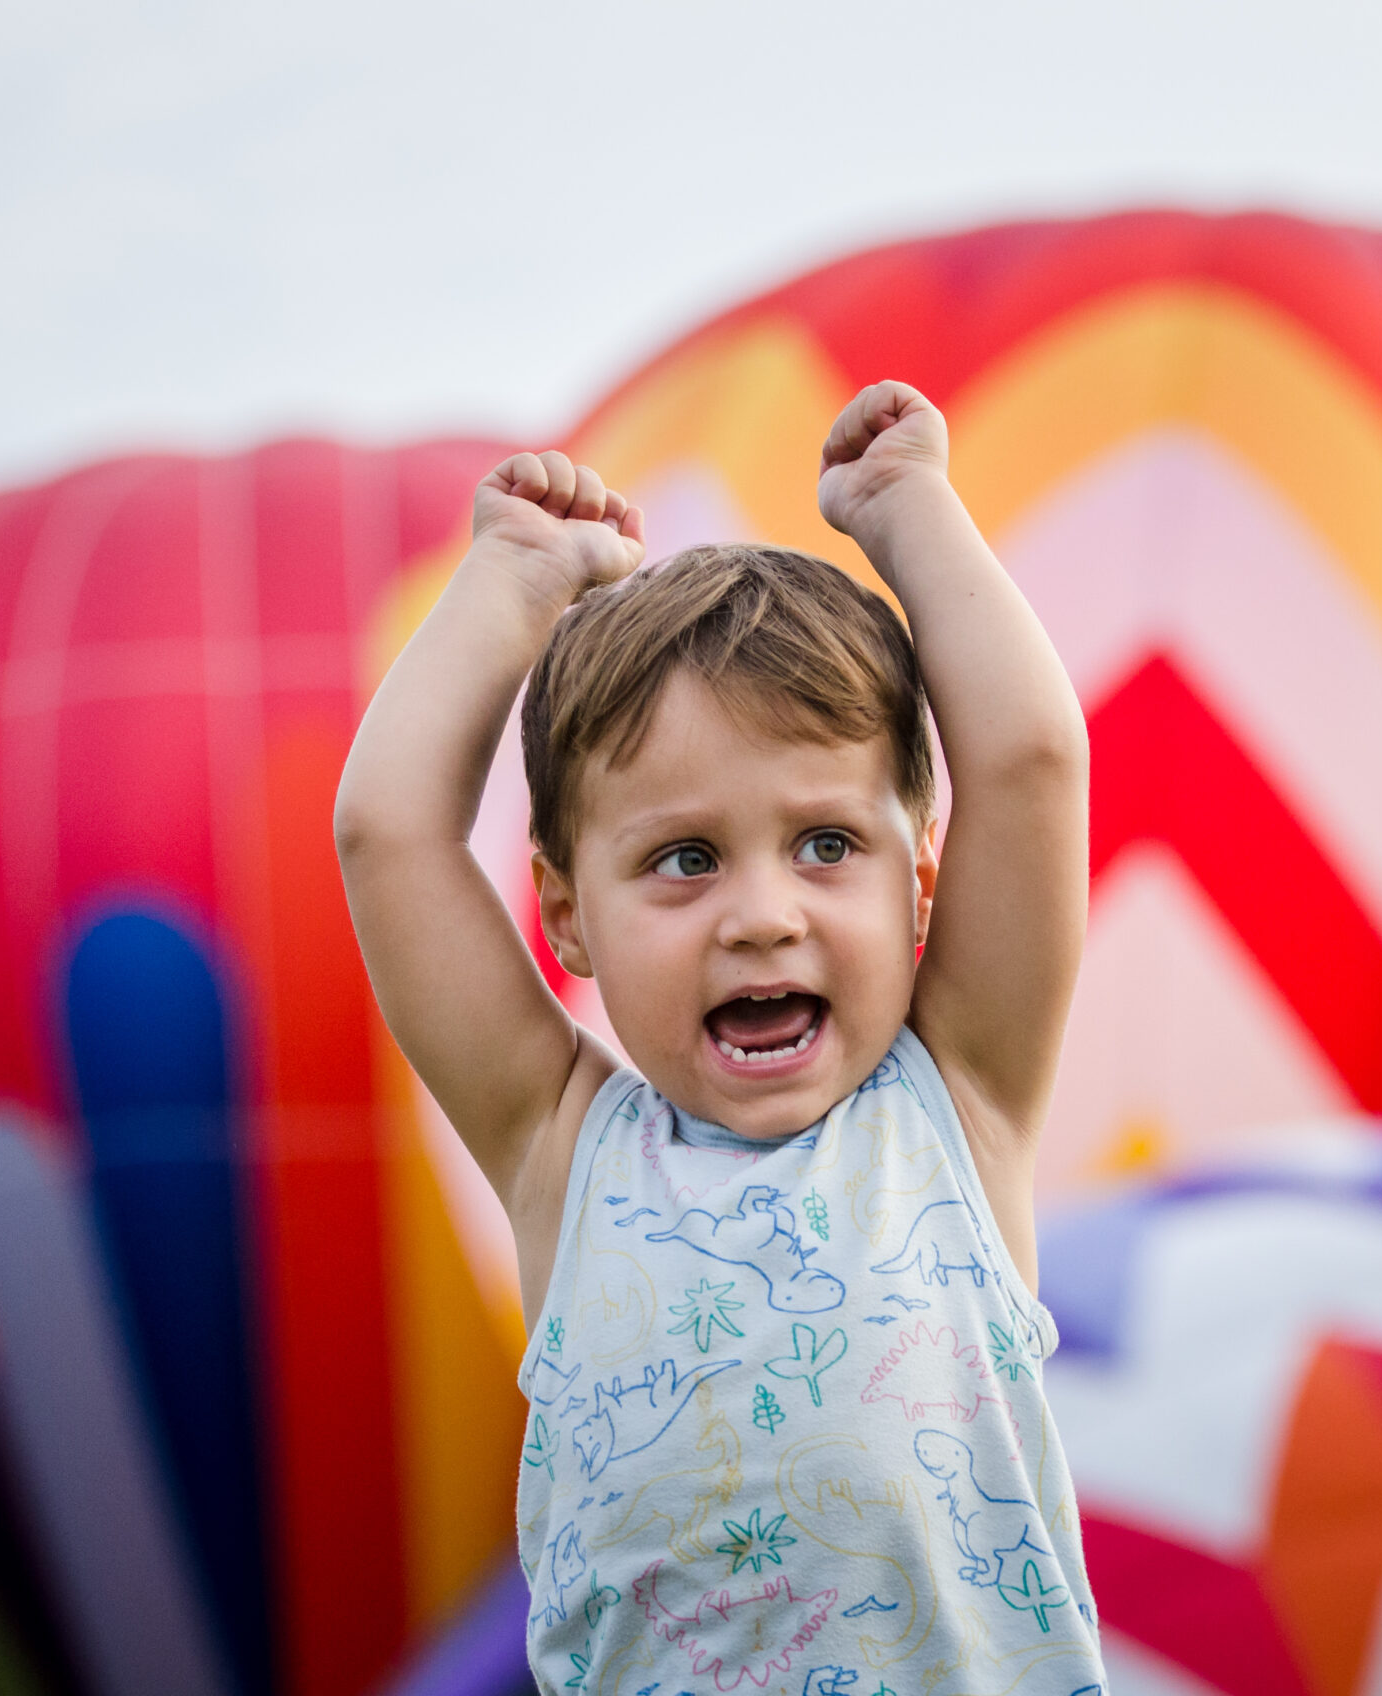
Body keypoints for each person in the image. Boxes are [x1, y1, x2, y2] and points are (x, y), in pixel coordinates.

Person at [336, 381, 1108, 1694]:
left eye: (826, 845)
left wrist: (910, 513)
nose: (763, 917)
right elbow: (389, 837)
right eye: (685, 859)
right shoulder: (564, 1154)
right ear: (568, 917)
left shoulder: (954, 1104)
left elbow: (1031, 759)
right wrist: (512, 585)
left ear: (921, 883)